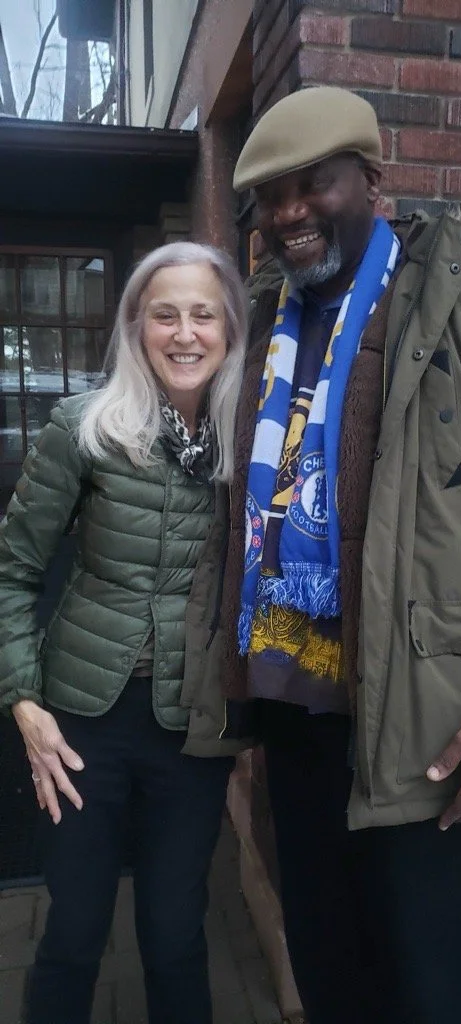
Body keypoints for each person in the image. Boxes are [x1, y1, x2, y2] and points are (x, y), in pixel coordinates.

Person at [219, 86, 461, 1024]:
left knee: (435, 988)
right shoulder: (262, 319)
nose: (290, 212)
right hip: (298, 722)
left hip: (427, 725)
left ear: (370, 180)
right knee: (332, 977)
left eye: (313, 185)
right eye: (270, 197)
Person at [0, 241, 250, 1024]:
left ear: (230, 329)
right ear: (137, 327)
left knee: (176, 932)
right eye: (164, 314)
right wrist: (23, 701)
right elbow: (13, 571)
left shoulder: (256, 443)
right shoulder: (85, 427)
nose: (184, 333)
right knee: (73, 929)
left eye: (203, 315)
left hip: (194, 726)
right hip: (82, 723)